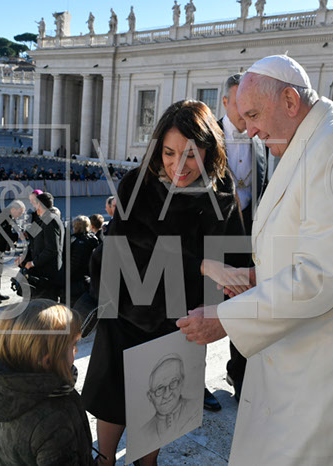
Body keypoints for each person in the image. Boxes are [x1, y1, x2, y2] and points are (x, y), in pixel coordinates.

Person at [177, 55, 333, 465]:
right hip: (327, 339)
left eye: (254, 115)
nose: (250, 130)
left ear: (290, 101)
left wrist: (226, 318)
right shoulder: (315, 139)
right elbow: (322, 245)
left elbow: (323, 274)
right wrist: (259, 275)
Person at [81, 100, 245, 466]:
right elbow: (120, 255)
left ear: (209, 150)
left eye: (190, 155)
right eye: (169, 153)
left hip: (180, 321)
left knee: (158, 416)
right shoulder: (136, 185)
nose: (177, 165)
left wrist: (217, 306)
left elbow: (232, 258)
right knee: (113, 404)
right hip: (126, 314)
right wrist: (200, 265)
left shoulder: (222, 191)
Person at [0, 299, 95, 465]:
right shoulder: (54, 419)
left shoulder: (12, 390)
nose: (76, 350)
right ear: (47, 360)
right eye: (73, 345)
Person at [216, 72, 268, 404]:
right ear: (224, 102)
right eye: (239, 102)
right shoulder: (204, 136)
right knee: (200, 309)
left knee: (245, 307)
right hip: (209, 240)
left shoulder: (260, 139)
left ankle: (240, 375)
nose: (247, 109)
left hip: (248, 240)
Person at [139, 354, 200, 446]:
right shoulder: (144, 431)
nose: (167, 394)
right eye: (160, 388)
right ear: (150, 396)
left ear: (182, 382)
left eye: (173, 382)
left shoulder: (195, 409)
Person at [17, 192, 64, 301]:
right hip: (40, 270)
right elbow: (33, 238)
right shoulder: (43, 218)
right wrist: (24, 258)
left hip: (47, 273)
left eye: (34, 203)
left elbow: (52, 249)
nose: (33, 206)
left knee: (44, 304)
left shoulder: (50, 220)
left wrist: (33, 263)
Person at [64, 215, 100, 309]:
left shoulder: (75, 241)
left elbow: (74, 263)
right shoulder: (94, 239)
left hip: (76, 280)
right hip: (90, 278)